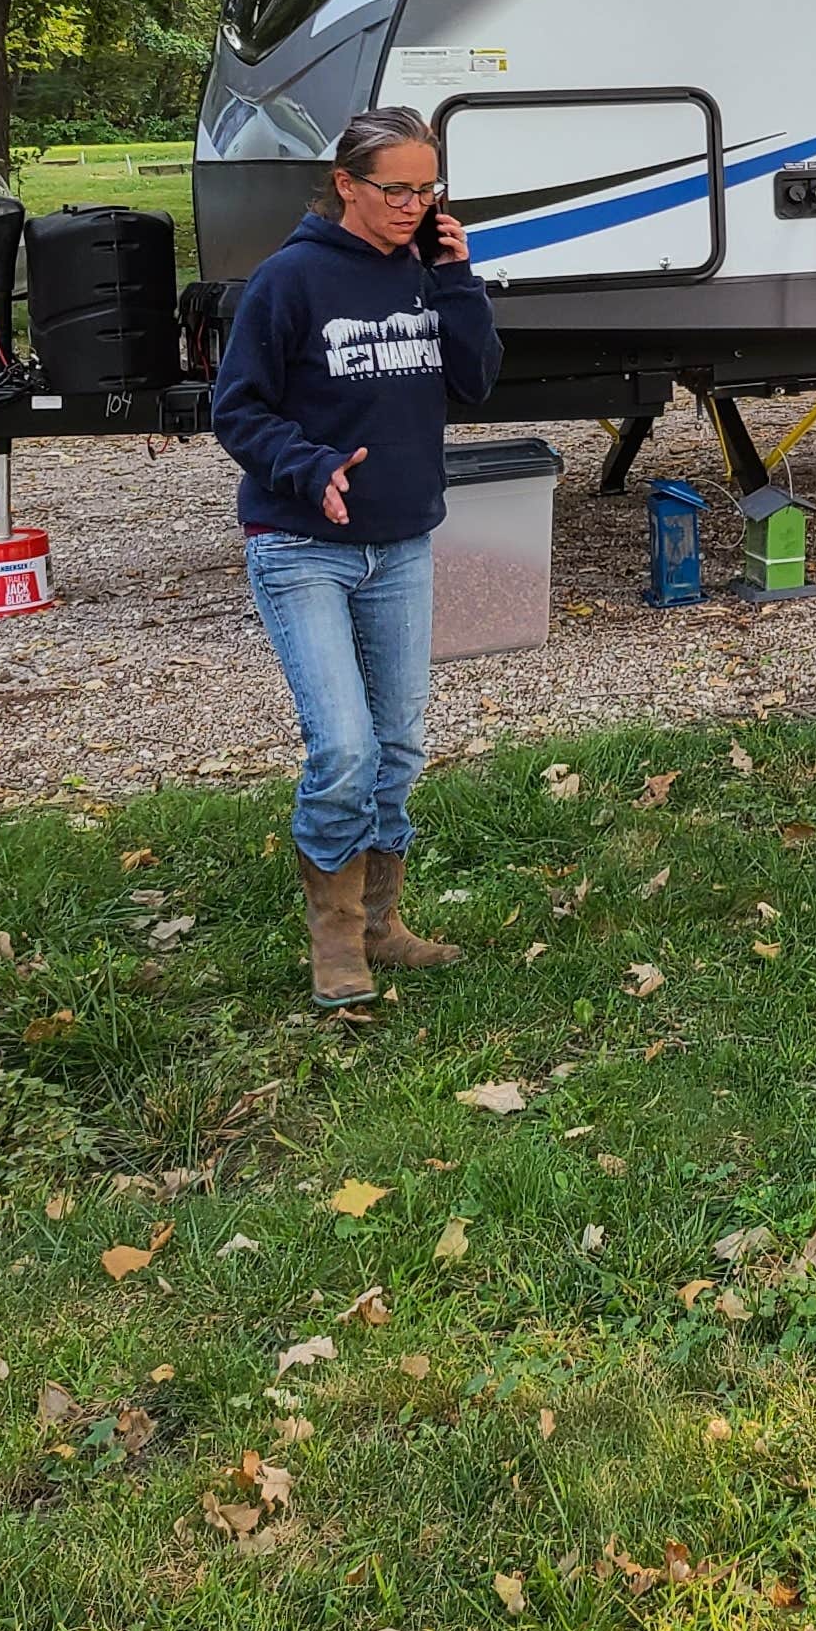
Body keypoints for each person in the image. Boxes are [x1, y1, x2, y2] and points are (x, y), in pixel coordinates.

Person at [211, 104, 502, 1009]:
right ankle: (334, 942)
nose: (414, 204)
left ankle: (382, 923)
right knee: (341, 747)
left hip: (402, 543)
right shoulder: (288, 281)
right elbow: (237, 410)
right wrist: (312, 465)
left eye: (428, 189)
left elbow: (478, 379)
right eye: (396, 189)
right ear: (346, 185)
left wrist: (457, 280)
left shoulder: (425, 273)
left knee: (398, 747)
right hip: (302, 545)